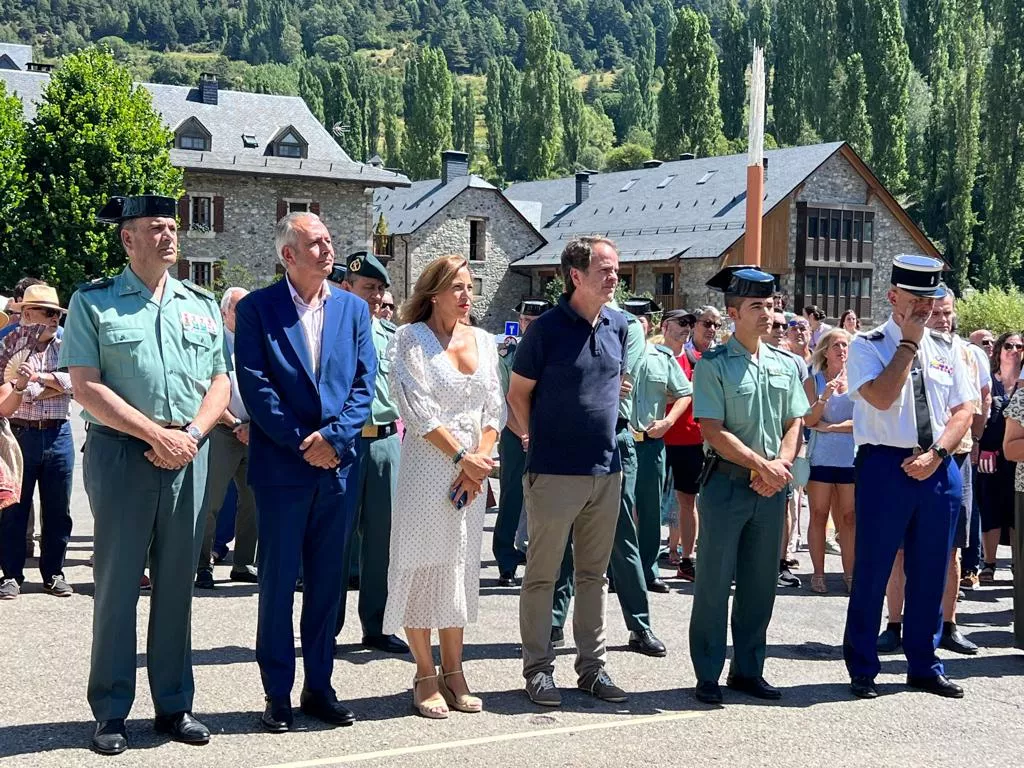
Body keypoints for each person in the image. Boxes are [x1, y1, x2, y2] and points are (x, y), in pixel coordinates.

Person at [60, 195, 230, 754]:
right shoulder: (94, 302)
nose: (169, 236)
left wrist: (192, 436)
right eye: (155, 228)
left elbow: (219, 383)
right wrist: (154, 435)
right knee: (116, 586)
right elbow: (86, 385)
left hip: (188, 453)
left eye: (172, 227)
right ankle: (111, 710)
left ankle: (174, 705)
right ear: (127, 239)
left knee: (179, 583)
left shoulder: (200, 303)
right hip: (122, 457)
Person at [235, 211, 376, 733]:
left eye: (329, 240)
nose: (327, 249)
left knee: (327, 584)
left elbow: (364, 384)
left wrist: (334, 440)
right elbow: (256, 386)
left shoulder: (353, 311)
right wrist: (302, 442)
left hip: (337, 469)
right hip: (283, 470)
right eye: (315, 243)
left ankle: (320, 685)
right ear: (288, 254)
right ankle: (277, 694)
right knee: (276, 585)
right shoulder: (257, 309)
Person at [843, 256, 974, 700]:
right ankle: (862, 667)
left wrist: (939, 454)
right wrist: (909, 345)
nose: (924, 308)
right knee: (874, 569)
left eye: (930, 300)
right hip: (885, 465)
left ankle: (924, 663)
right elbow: (879, 398)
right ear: (892, 296)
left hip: (939, 466)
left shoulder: (948, 347)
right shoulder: (868, 344)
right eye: (916, 300)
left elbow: (964, 410)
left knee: (931, 571)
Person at [508, 236, 630, 707]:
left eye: (616, 268)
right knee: (542, 575)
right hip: (554, 472)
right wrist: (528, 437)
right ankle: (538, 670)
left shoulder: (618, 325)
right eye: (604, 268)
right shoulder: (545, 331)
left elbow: (612, 387)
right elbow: (517, 396)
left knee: (593, 576)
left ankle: (592, 669)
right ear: (575, 276)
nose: (614, 276)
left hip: (606, 469)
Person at [382, 255, 503, 718]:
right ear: (433, 292)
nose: (466, 295)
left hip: (471, 476)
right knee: (421, 564)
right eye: (457, 287)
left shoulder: (487, 341)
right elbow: (418, 410)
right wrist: (461, 458)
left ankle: (456, 670)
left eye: (470, 287)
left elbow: (495, 408)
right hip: (430, 467)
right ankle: (425, 672)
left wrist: (481, 461)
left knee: (459, 565)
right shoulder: (410, 338)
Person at [688, 268, 808, 705]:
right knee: (714, 585)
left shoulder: (783, 364)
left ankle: (748, 670)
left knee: (761, 585)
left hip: (770, 489)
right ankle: (707, 673)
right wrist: (763, 464)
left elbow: (796, 419)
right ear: (733, 313)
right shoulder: (714, 365)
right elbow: (713, 430)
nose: (766, 314)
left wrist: (782, 463)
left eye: (771, 305)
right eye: (756, 307)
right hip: (727, 485)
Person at [329, 252, 410, 654]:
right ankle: (327, 625)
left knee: (383, 539)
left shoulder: (392, 337)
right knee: (336, 539)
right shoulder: (331, 332)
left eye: (380, 289)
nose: (376, 297)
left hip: (383, 442)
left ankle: (377, 625)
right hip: (344, 444)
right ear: (347, 288)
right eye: (368, 289)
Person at [0, 284, 75, 600]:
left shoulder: (69, 345)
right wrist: (32, 387)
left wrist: (38, 381)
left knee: (59, 510)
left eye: (53, 313)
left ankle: (54, 573)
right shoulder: (8, 344)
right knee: (14, 510)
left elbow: (78, 383)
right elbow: (6, 397)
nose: (52, 318)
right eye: (42, 313)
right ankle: (11, 575)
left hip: (59, 433)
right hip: (20, 432)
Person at [625, 297, 692, 590]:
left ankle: (648, 570)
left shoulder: (661, 357)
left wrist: (668, 422)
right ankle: (618, 571)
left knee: (650, 511)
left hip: (651, 444)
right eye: (631, 321)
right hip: (617, 440)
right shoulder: (611, 354)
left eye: (642, 321)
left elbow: (684, 393)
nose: (637, 326)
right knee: (618, 510)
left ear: (649, 324)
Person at [195, 287, 258, 589]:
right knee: (211, 501)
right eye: (238, 309)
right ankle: (202, 564)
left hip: (254, 432)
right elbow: (206, 392)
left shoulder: (257, 342)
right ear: (224, 312)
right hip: (222, 431)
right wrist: (234, 423)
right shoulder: (211, 344)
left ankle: (244, 563)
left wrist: (252, 426)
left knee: (253, 502)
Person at [495, 299, 551, 587]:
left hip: (547, 434)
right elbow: (503, 400)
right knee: (512, 498)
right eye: (526, 320)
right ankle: (506, 562)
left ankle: (540, 557)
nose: (530, 325)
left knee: (548, 500)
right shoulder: (508, 354)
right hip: (515, 434)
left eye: (536, 320)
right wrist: (523, 433)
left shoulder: (553, 351)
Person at [803, 329, 856, 594]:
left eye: (845, 345)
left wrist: (831, 428)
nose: (842, 350)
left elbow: (862, 424)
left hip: (851, 460)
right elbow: (809, 421)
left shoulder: (858, 379)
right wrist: (825, 397)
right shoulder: (813, 381)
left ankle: (849, 574)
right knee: (818, 514)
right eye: (836, 345)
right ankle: (818, 574)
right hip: (821, 458)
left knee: (849, 517)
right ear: (825, 350)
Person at [661, 309, 702, 582]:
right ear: (665, 326)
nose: (687, 328)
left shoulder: (696, 360)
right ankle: (642, 556)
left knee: (688, 500)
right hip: (656, 439)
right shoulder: (649, 358)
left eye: (690, 323)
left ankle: (687, 559)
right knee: (645, 501)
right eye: (681, 322)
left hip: (690, 439)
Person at [977, 331, 1021, 584]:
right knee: (990, 509)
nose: (1014, 350)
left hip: (1018, 458)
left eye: (1019, 346)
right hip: (990, 456)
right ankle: (989, 563)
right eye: (1009, 345)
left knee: (1016, 511)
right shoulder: (988, 383)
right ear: (999, 350)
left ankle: (1017, 563)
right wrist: (979, 445)